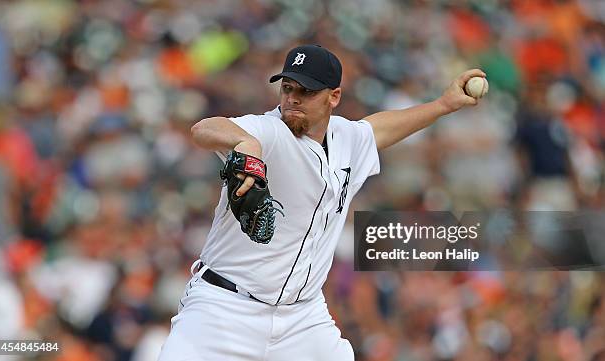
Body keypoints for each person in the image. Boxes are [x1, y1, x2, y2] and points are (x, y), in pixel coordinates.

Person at [157, 44, 485, 361]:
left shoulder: (347, 139)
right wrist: (248, 143)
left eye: (307, 91)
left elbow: (379, 130)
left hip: (302, 318)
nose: (293, 99)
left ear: (334, 97)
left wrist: (443, 104)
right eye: (287, 88)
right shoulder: (268, 131)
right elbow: (205, 129)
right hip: (224, 308)